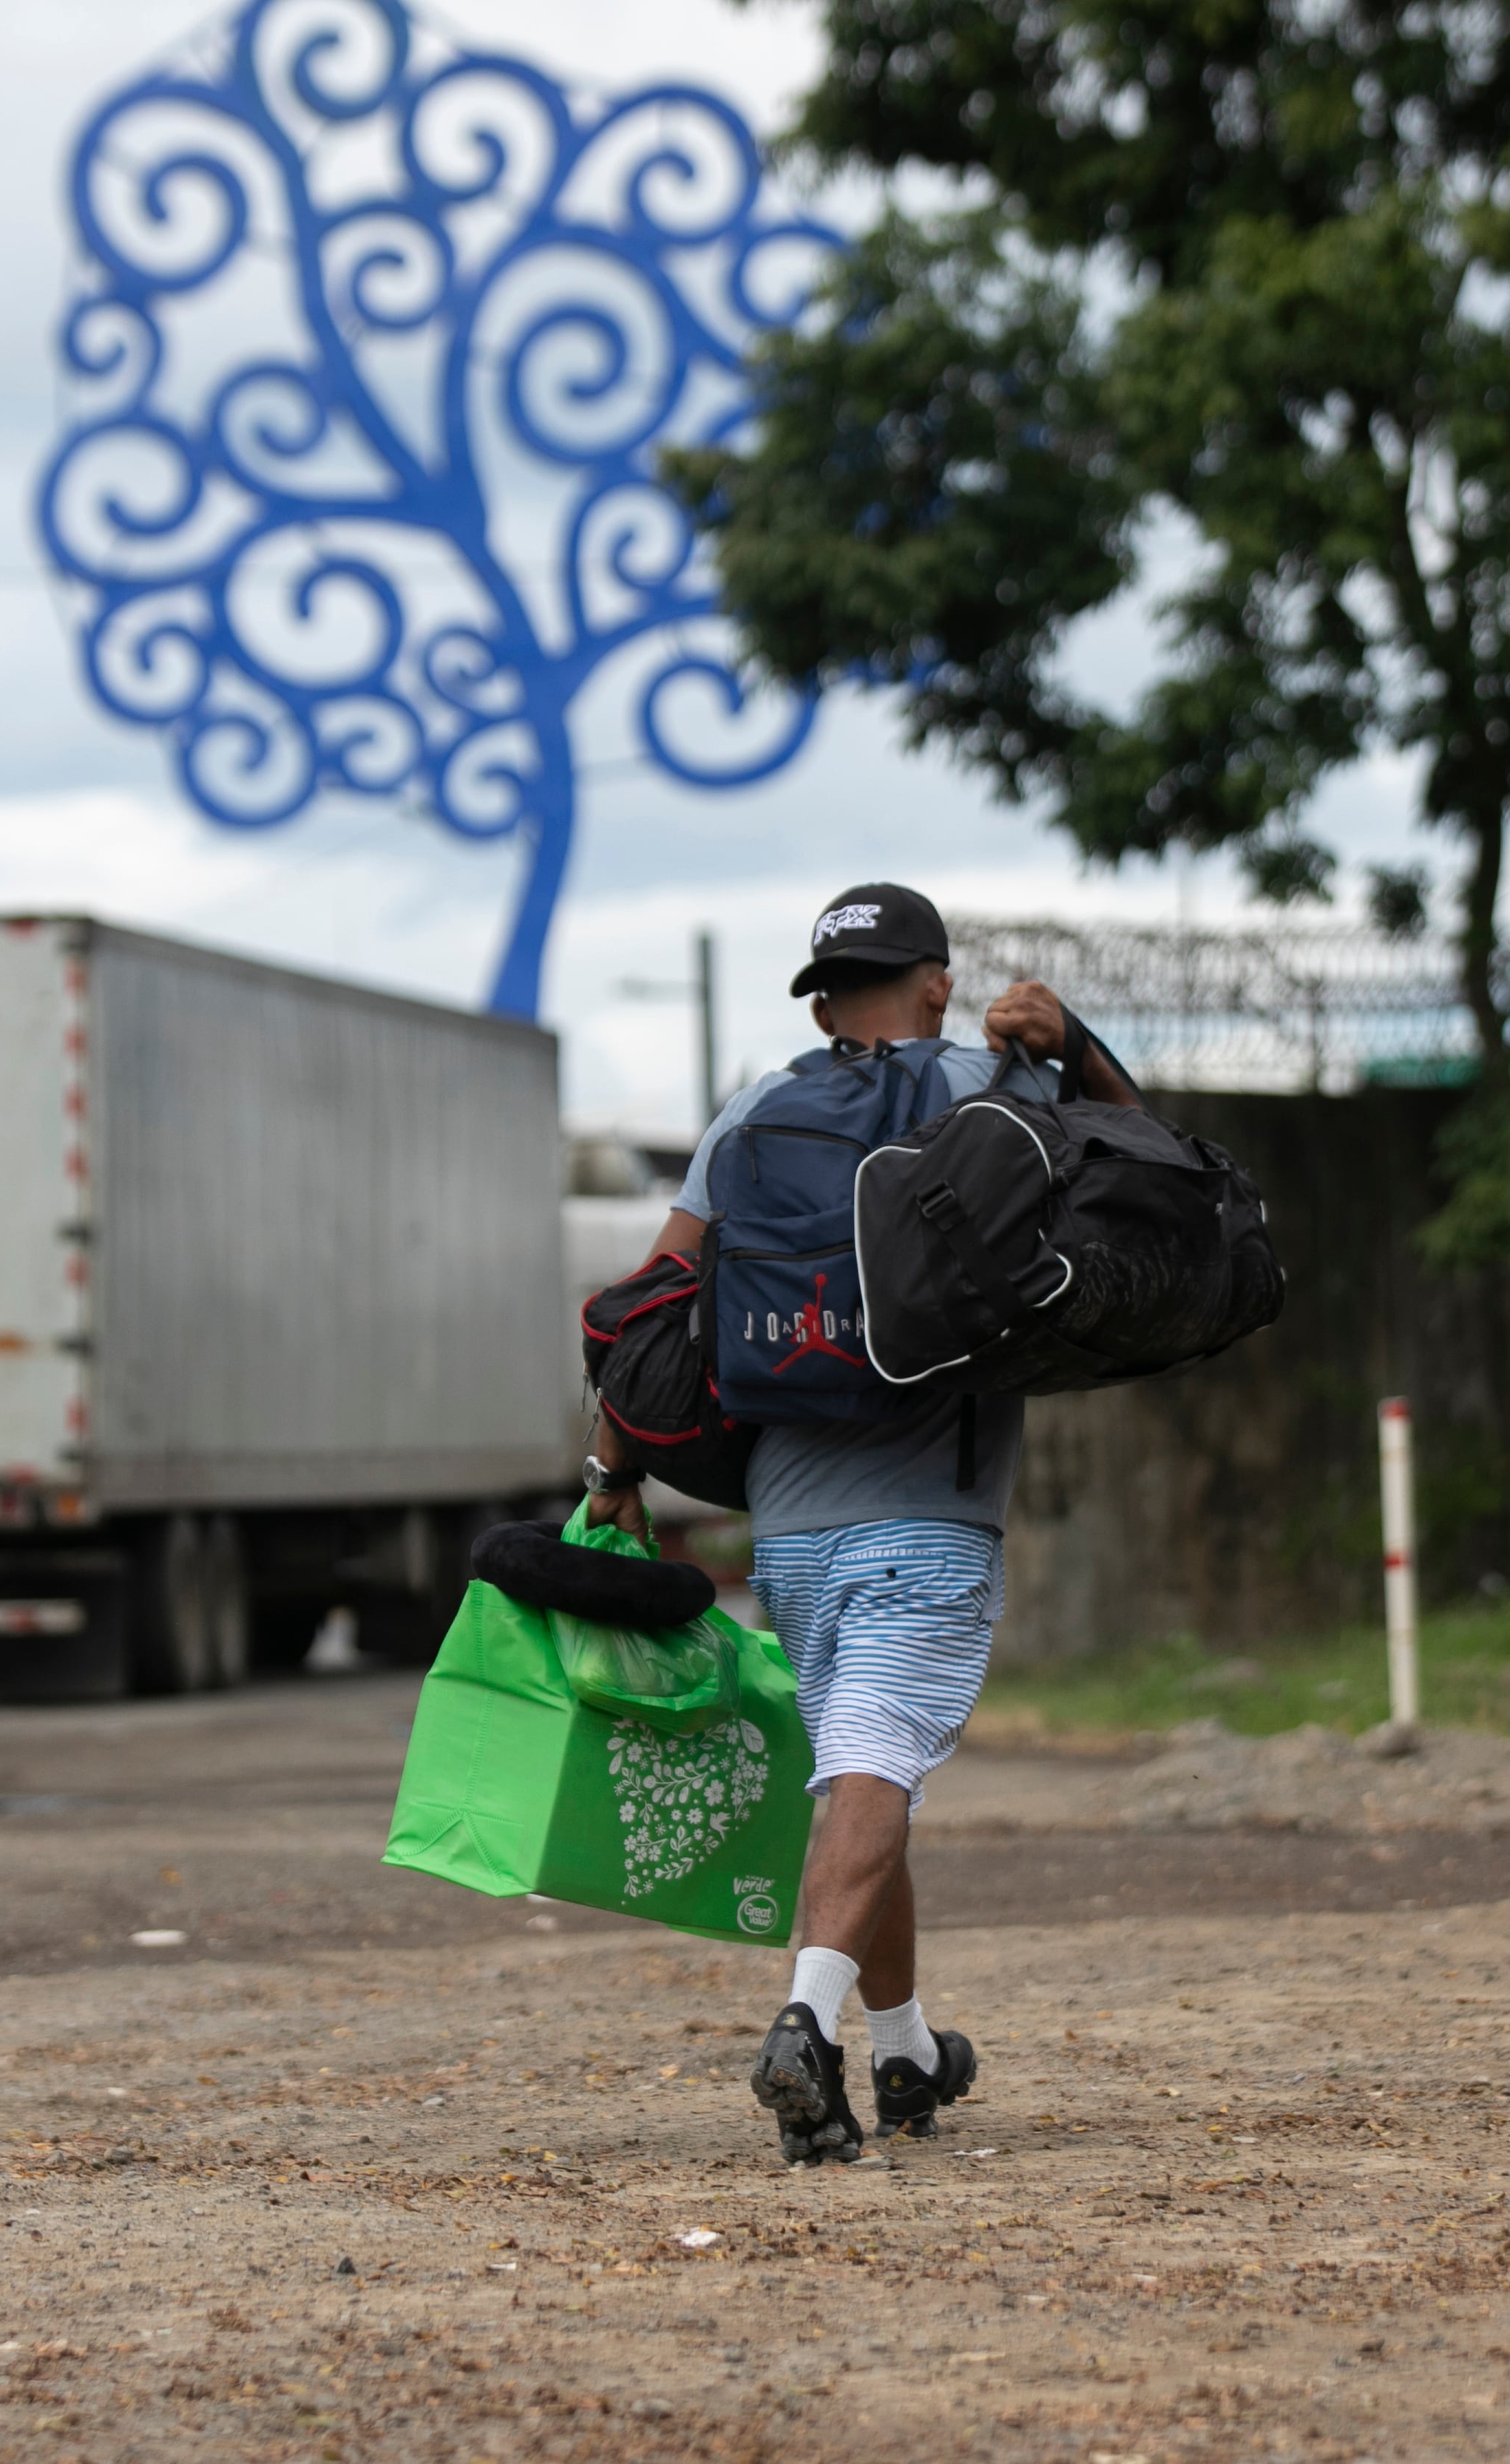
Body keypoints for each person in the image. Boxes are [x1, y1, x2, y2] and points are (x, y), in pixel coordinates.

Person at [583, 883, 1138, 2165]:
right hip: (929, 1510)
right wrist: (1076, 1043)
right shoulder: (994, 1095)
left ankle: (904, 2054)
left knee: (859, 1778)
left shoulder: (754, 1110)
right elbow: (1155, 1173)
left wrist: (613, 1464)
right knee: (874, 1767)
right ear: (938, 985)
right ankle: (803, 2021)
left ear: (828, 999)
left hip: (788, 1523)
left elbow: (655, 1296)